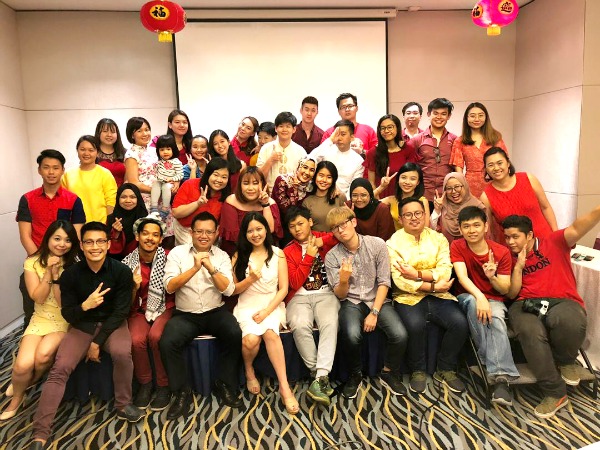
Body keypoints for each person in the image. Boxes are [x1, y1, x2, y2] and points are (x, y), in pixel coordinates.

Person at [29, 222, 144, 449]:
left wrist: (97, 343)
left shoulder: (121, 271)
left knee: (122, 353)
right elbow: (69, 314)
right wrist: (85, 305)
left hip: (112, 324)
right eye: (89, 242)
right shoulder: (71, 275)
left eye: (100, 241)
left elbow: (121, 311)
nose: (95, 247)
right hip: (82, 325)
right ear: (81, 245)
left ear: (108, 244)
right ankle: (40, 433)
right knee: (60, 367)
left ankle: (123, 404)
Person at [503, 206, 600, 418]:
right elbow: (511, 294)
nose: (510, 242)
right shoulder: (507, 257)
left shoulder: (554, 242)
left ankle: (565, 361)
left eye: (515, 237)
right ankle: (554, 392)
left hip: (562, 299)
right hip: (525, 303)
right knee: (529, 331)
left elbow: (578, 227)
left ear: (530, 235)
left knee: (570, 320)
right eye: (507, 237)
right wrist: (518, 267)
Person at [160, 212, 243, 420]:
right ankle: (181, 391)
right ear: (191, 232)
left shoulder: (222, 256)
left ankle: (224, 383)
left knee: (234, 333)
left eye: (209, 232)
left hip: (215, 311)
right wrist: (195, 268)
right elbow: (169, 287)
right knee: (168, 342)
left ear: (216, 234)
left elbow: (228, 290)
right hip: (186, 314)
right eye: (199, 231)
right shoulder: (177, 254)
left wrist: (210, 269)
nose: (204, 236)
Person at [325, 206, 407, 399]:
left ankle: (388, 372)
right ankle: (355, 374)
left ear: (353, 222)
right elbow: (341, 295)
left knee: (400, 335)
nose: (340, 230)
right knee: (351, 335)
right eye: (335, 228)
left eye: (343, 224)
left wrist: (375, 312)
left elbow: (384, 282)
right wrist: (344, 279)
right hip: (351, 301)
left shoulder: (377, 244)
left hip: (376, 298)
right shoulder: (332, 256)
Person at [387, 198, 468, 394]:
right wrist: (433, 286)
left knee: (459, 323)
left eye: (418, 213)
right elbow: (400, 280)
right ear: (401, 218)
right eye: (408, 214)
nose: (414, 218)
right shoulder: (392, 243)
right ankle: (418, 370)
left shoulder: (438, 239)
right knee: (415, 325)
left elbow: (445, 270)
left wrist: (416, 274)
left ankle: (445, 368)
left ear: (425, 215)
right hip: (408, 297)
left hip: (440, 295)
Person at [1, 221, 79, 421]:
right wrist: (47, 274)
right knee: (22, 365)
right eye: (57, 238)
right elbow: (38, 297)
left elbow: (64, 305)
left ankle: (22, 386)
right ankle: (18, 396)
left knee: (43, 356)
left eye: (68, 240)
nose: (62, 244)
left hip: (63, 320)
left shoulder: (74, 265)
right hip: (40, 317)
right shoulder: (32, 262)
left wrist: (57, 277)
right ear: (48, 238)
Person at [231, 213, 299, 414]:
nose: (255, 234)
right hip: (247, 304)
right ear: (245, 234)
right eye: (250, 230)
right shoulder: (238, 256)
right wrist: (250, 279)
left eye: (258, 229)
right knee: (250, 341)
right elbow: (234, 290)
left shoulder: (278, 253)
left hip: (272, 304)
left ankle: (285, 387)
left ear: (266, 230)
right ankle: (249, 368)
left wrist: (267, 311)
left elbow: (284, 289)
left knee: (270, 333)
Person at [450, 206, 518, 406]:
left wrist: (492, 277)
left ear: (486, 226)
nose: (472, 230)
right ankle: (500, 373)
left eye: (476, 225)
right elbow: (462, 278)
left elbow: (505, 288)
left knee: (495, 317)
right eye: (467, 226)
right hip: (467, 296)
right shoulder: (457, 246)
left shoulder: (501, 252)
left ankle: (500, 379)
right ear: (461, 230)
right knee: (472, 303)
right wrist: (480, 297)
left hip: (495, 299)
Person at [16, 149, 86, 327]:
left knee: (69, 310)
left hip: (66, 263)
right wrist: (41, 262)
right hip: (36, 262)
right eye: (46, 167)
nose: (51, 172)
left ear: (63, 170)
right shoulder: (27, 199)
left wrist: (61, 261)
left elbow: (76, 235)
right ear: (39, 170)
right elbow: (25, 236)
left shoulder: (73, 200)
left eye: (56, 168)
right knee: (32, 311)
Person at [284, 206, 339, 406]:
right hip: (298, 296)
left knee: (330, 323)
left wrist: (320, 242)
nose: (297, 229)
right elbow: (294, 282)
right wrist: (308, 256)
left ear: (310, 221)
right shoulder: (288, 251)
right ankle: (320, 376)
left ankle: (319, 377)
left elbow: (339, 235)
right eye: (292, 226)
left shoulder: (323, 238)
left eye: (300, 223)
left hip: (325, 293)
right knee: (299, 325)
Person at [122, 216, 175, 411]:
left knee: (156, 337)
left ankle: (163, 385)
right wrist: (133, 288)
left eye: (155, 235)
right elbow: (125, 304)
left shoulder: (170, 258)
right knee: (136, 340)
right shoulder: (127, 263)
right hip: (138, 310)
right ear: (137, 236)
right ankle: (145, 384)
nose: (150, 238)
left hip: (166, 308)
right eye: (145, 234)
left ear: (161, 239)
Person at [480, 147, 557, 242]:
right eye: (490, 165)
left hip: (544, 240)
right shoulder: (486, 196)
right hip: (514, 249)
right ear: (486, 169)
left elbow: (546, 207)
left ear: (508, 163)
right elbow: (490, 230)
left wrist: (556, 235)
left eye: (500, 163)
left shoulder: (529, 179)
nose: (496, 168)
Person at [124, 117, 175, 243]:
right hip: (146, 204)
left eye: (147, 130)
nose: (145, 133)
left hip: (164, 201)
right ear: (132, 134)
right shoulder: (131, 154)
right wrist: (155, 191)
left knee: (166, 238)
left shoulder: (155, 150)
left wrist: (173, 183)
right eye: (140, 131)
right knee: (150, 238)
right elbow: (133, 182)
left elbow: (169, 167)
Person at [219, 166, 283, 256]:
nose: (250, 188)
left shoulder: (270, 203)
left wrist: (265, 204)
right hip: (236, 253)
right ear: (240, 185)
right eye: (246, 183)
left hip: (263, 252)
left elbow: (269, 230)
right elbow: (234, 236)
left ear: (263, 184)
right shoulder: (231, 201)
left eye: (255, 183)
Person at [450, 102, 508, 198]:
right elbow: (458, 167)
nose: (477, 119)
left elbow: (504, 161)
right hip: (470, 185)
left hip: (494, 181)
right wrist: (462, 186)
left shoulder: (495, 137)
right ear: (467, 118)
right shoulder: (459, 141)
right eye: (472, 116)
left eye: (480, 115)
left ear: (486, 117)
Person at [409, 98, 457, 211]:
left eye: (443, 114)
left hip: (448, 195)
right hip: (423, 194)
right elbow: (410, 167)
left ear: (449, 116)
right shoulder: (417, 140)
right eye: (435, 113)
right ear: (428, 114)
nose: (439, 117)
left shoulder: (455, 140)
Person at [172, 158, 230, 245]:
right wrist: (197, 203)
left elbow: (220, 226)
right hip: (186, 229)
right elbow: (176, 213)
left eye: (224, 177)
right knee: (193, 251)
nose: (219, 180)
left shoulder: (226, 197)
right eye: (216, 175)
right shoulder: (190, 184)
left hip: (210, 233)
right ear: (208, 174)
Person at [61, 135, 117, 224]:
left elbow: (111, 202)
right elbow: (63, 201)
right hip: (74, 225)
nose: (86, 153)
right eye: (82, 149)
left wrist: (108, 225)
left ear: (97, 152)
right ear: (77, 151)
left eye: (91, 150)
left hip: (99, 225)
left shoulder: (105, 174)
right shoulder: (68, 174)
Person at [365, 114, 416, 199]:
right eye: (383, 128)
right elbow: (371, 182)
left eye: (390, 127)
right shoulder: (373, 153)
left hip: (404, 198)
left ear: (397, 128)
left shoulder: (408, 149)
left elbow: (412, 176)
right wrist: (378, 203)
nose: (386, 131)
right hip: (381, 199)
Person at [310, 120, 364, 197]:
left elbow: (354, 187)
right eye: (337, 134)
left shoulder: (358, 161)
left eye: (343, 134)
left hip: (342, 200)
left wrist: (343, 203)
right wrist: (330, 140)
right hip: (319, 196)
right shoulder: (327, 150)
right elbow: (310, 160)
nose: (339, 138)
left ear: (352, 137)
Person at [257, 112, 307, 191]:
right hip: (269, 195)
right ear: (276, 128)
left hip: (291, 196)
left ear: (294, 129)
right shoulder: (266, 148)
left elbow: (305, 178)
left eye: (288, 126)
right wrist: (271, 160)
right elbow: (258, 177)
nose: (284, 129)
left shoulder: (300, 151)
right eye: (281, 126)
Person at [431, 172, 486, 243]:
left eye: (457, 187)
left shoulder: (477, 207)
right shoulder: (442, 206)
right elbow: (432, 231)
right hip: (445, 251)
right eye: (449, 188)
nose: (453, 191)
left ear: (465, 186)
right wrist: (437, 210)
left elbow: (485, 234)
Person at [320, 93, 377, 157]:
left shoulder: (368, 130)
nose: (347, 110)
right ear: (338, 111)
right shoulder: (330, 132)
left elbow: (378, 155)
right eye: (343, 107)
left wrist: (362, 151)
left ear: (356, 108)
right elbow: (321, 155)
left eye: (350, 106)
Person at [381, 162, 430, 231]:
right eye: (404, 178)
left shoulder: (422, 201)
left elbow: (426, 229)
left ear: (418, 182)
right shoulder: (392, 200)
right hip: (397, 239)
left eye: (412, 179)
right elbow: (368, 203)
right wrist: (382, 187)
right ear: (398, 180)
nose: (407, 182)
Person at [302, 161, 348, 232]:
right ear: (315, 176)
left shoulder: (340, 197)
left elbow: (347, 224)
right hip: (317, 241)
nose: (324, 180)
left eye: (329, 177)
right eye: (321, 175)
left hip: (339, 241)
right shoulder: (307, 201)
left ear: (333, 180)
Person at [107, 183, 148, 259]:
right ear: (118, 198)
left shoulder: (146, 220)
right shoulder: (111, 219)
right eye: (123, 197)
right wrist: (115, 234)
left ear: (138, 199)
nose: (128, 200)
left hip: (141, 260)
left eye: (132, 197)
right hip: (116, 261)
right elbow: (107, 248)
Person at [150, 135, 183, 220]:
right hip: (161, 181)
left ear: (173, 149)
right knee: (155, 184)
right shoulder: (159, 162)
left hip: (170, 183)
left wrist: (173, 179)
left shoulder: (176, 162)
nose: (165, 152)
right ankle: (153, 207)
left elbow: (180, 175)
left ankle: (165, 209)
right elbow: (156, 173)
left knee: (166, 187)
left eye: (168, 149)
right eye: (162, 150)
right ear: (158, 151)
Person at [95, 118, 127, 187]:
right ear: (98, 133)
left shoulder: (126, 153)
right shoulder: (92, 154)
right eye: (105, 131)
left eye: (113, 132)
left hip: (121, 195)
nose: (109, 135)